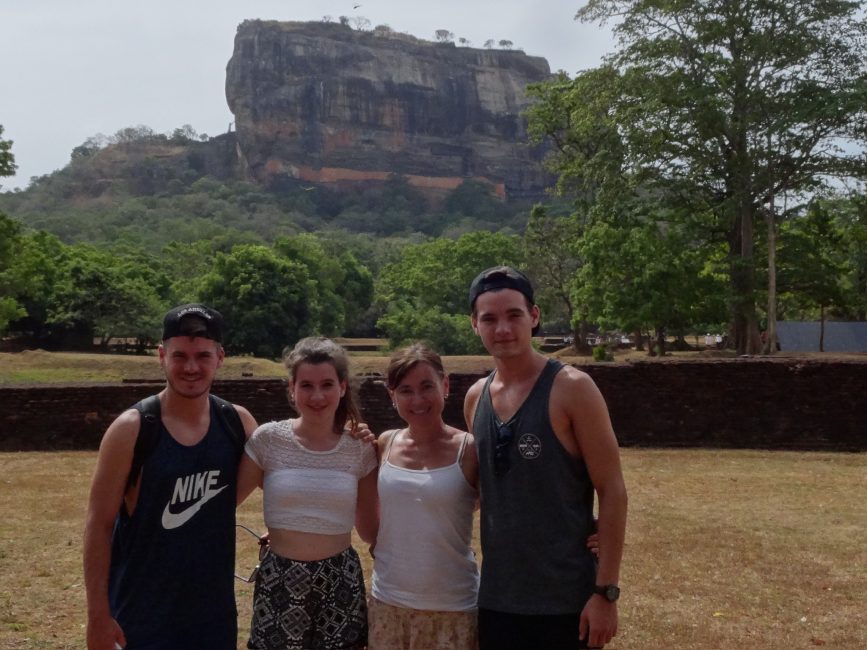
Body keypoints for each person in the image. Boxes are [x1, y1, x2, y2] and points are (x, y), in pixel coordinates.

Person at [463, 266, 628, 650]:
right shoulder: (475, 398)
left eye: (514, 315)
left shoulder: (571, 388)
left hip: (565, 599)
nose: (502, 328)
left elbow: (613, 489)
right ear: (474, 324)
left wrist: (605, 592)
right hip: (498, 597)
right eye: (489, 318)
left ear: (534, 317)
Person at [83, 303, 258, 650]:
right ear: (161, 355)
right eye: (180, 356)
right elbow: (98, 526)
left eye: (202, 356)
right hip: (141, 613)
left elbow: (289, 477)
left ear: (220, 357)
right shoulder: (132, 429)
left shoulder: (235, 423)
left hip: (213, 616)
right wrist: (98, 617)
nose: (191, 367)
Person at [237, 336, 378, 650]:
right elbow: (222, 502)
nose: (317, 396)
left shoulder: (360, 448)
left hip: (339, 580)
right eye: (306, 386)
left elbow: (371, 530)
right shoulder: (268, 440)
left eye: (327, 384)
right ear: (292, 388)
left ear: (342, 387)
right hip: (280, 579)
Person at [367, 343, 480, 650]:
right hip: (389, 600)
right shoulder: (384, 443)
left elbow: (512, 505)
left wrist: (582, 527)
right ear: (392, 396)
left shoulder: (470, 450)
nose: (417, 400)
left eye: (426, 386)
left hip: (452, 606)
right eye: (405, 390)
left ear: (445, 386)